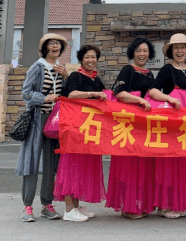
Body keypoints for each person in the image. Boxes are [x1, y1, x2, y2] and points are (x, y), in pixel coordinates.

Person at [16, 33, 69, 223]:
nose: (55, 46)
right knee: (31, 162)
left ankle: (47, 204)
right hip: (37, 119)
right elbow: (26, 92)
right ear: (45, 47)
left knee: (51, 164)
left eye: (58, 44)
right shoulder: (37, 67)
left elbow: (68, 93)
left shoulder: (60, 69)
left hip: (54, 121)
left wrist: (65, 76)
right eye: (52, 43)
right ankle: (27, 206)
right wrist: (43, 98)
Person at [53, 43, 108, 222]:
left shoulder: (95, 78)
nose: (91, 60)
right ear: (81, 60)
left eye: (93, 57)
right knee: (71, 167)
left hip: (89, 130)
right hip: (75, 128)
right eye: (87, 57)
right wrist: (93, 95)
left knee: (82, 168)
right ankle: (69, 209)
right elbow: (72, 94)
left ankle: (76, 206)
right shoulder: (76, 75)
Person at [104, 37, 158, 219]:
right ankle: (128, 207)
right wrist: (140, 100)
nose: (142, 54)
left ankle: (141, 203)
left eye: (145, 51)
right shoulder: (128, 70)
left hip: (144, 124)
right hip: (129, 122)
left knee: (143, 163)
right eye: (138, 51)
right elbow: (119, 93)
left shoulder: (149, 74)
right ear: (132, 53)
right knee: (130, 163)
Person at [152, 33, 186, 218]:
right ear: (171, 51)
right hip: (171, 122)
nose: (179, 51)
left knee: (184, 162)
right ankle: (165, 204)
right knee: (169, 162)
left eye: (182, 47)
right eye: (175, 48)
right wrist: (169, 98)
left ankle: (179, 202)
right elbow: (154, 90)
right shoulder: (166, 69)